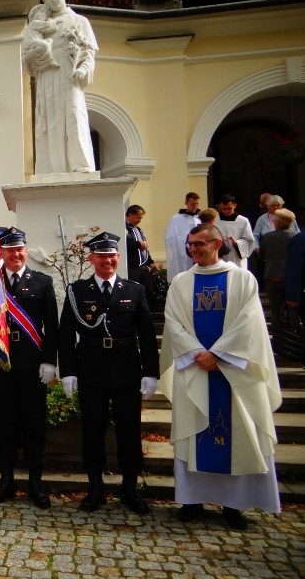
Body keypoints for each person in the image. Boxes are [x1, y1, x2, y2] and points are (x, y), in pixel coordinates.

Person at [159, 224, 281, 530]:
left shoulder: (242, 279)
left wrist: (220, 355)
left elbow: (249, 324)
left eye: (199, 244)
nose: (193, 249)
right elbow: (173, 324)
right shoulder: (181, 282)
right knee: (192, 433)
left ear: (217, 243)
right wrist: (197, 353)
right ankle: (192, 500)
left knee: (238, 434)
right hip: (195, 369)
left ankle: (234, 505)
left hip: (234, 373)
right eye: (190, 245)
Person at [58, 232, 159, 514]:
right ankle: (95, 488)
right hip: (91, 370)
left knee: (129, 431)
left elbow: (147, 336)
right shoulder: (77, 292)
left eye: (112, 255)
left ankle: (129, 488)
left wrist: (151, 372)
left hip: (127, 370)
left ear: (118, 257)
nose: (107, 260)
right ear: (92, 259)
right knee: (92, 431)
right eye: (101, 256)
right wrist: (68, 372)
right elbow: (66, 334)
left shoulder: (134, 290)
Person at [0, 227, 59, 507]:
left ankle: (35, 483)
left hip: (31, 364)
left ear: (26, 251)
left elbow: (52, 325)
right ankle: (6, 480)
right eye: (10, 250)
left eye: (20, 249)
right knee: (4, 425)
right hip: (0, 362)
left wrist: (49, 361)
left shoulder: (41, 282)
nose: (16, 254)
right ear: (1, 252)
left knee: (33, 425)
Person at [22, 0, 98, 175]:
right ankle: (49, 167)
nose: (51, 0)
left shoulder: (79, 21)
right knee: (48, 120)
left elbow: (88, 50)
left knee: (73, 116)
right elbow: (28, 55)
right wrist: (31, 58)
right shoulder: (41, 25)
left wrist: (83, 68)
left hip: (69, 74)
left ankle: (79, 163)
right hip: (47, 76)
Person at [259, 208, 297, 339]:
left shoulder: (267, 237)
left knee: (275, 311)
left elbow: (261, 257)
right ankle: (294, 339)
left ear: (278, 223)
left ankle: (277, 341)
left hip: (272, 277)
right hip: (291, 278)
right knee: (293, 310)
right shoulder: (295, 237)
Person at [125, 205, 158, 309]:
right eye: (138, 217)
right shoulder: (124, 229)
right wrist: (139, 245)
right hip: (132, 268)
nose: (139, 220)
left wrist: (151, 263)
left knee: (149, 292)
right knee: (133, 293)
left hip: (143, 267)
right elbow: (124, 244)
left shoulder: (138, 230)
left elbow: (145, 249)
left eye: (141, 218)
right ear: (130, 215)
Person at [164, 192, 201, 282]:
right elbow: (169, 239)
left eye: (197, 204)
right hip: (181, 256)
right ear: (186, 203)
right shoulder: (175, 219)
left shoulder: (198, 219)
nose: (195, 206)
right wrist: (181, 249)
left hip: (196, 255)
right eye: (192, 204)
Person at [216, 194, 255, 269]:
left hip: (236, 257)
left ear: (235, 205)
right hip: (220, 256)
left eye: (229, 208)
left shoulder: (243, 220)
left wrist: (236, 243)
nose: (226, 211)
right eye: (223, 209)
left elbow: (249, 241)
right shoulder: (216, 219)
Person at [22, 3, 60, 72]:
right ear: (33, 14)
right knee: (45, 45)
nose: (44, 15)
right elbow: (49, 27)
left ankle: (46, 62)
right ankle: (28, 57)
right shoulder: (35, 23)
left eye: (45, 15)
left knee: (49, 41)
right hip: (31, 42)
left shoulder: (34, 24)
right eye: (42, 12)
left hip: (34, 41)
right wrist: (51, 20)